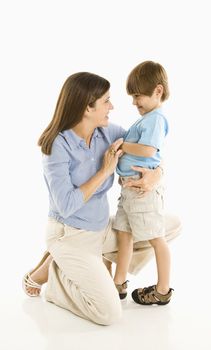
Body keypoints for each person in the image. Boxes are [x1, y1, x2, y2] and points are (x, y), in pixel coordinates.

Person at [22, 71, 181, 326]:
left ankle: (87, 268)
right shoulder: (57, 147)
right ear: (88, 107)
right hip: (71, 234)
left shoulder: (107, 133)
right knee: (108, 313)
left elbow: (149, 150)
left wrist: (156, 175)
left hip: (101, 229)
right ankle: (55, 274)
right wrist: (105, 172)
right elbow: (67, 204)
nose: (113, 106)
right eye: (106, 101)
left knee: (170, 225)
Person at [113, 61, 173, 305]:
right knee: (124, 234)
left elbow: (148, 151)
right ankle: (118, 283)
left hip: (141, 189)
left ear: (157, 91)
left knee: (156, 237)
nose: (134, 101)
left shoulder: (155, 119)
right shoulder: (147, 119)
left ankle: (162, 289)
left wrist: (121, 145)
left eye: (138, 95)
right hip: (129, 188)